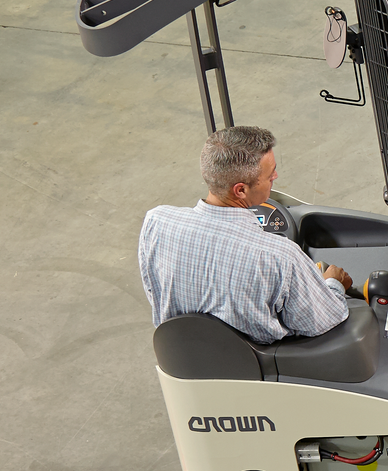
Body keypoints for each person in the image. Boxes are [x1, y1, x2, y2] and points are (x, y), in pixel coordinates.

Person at [139, 126, 354, 344]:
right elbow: (325, 320)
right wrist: (333, 284)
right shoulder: (281, 256)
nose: (275, 177)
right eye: (270, 175)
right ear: (240, 190)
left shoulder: (156, 222)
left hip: (181, 353)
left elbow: (154, 289)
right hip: (259, 364)